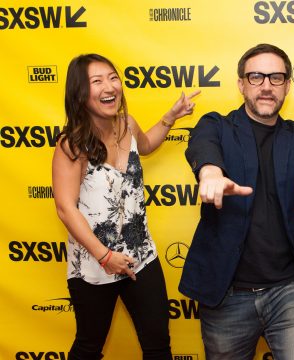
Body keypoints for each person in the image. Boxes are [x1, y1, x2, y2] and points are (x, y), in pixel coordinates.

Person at [178, 42, 294, 360]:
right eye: (256, 77)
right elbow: (202, 146)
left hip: (289, 291)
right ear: (241, 84)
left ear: (288, 85)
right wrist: (209, 173)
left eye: (276, 78)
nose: (265, 86)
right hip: (226, 296)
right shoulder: (216, 125)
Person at [52, 53, 199, 359]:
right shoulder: (72, 144)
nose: (110, 86)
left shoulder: (127, 124)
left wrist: (170, 117)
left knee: (158, 345)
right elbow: (66, 208)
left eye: (112, 77)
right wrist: (105, 256)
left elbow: (146, 146)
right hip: (94, 265)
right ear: (80, 93)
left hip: (141, 257)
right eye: (97, 81)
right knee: (89, 347)